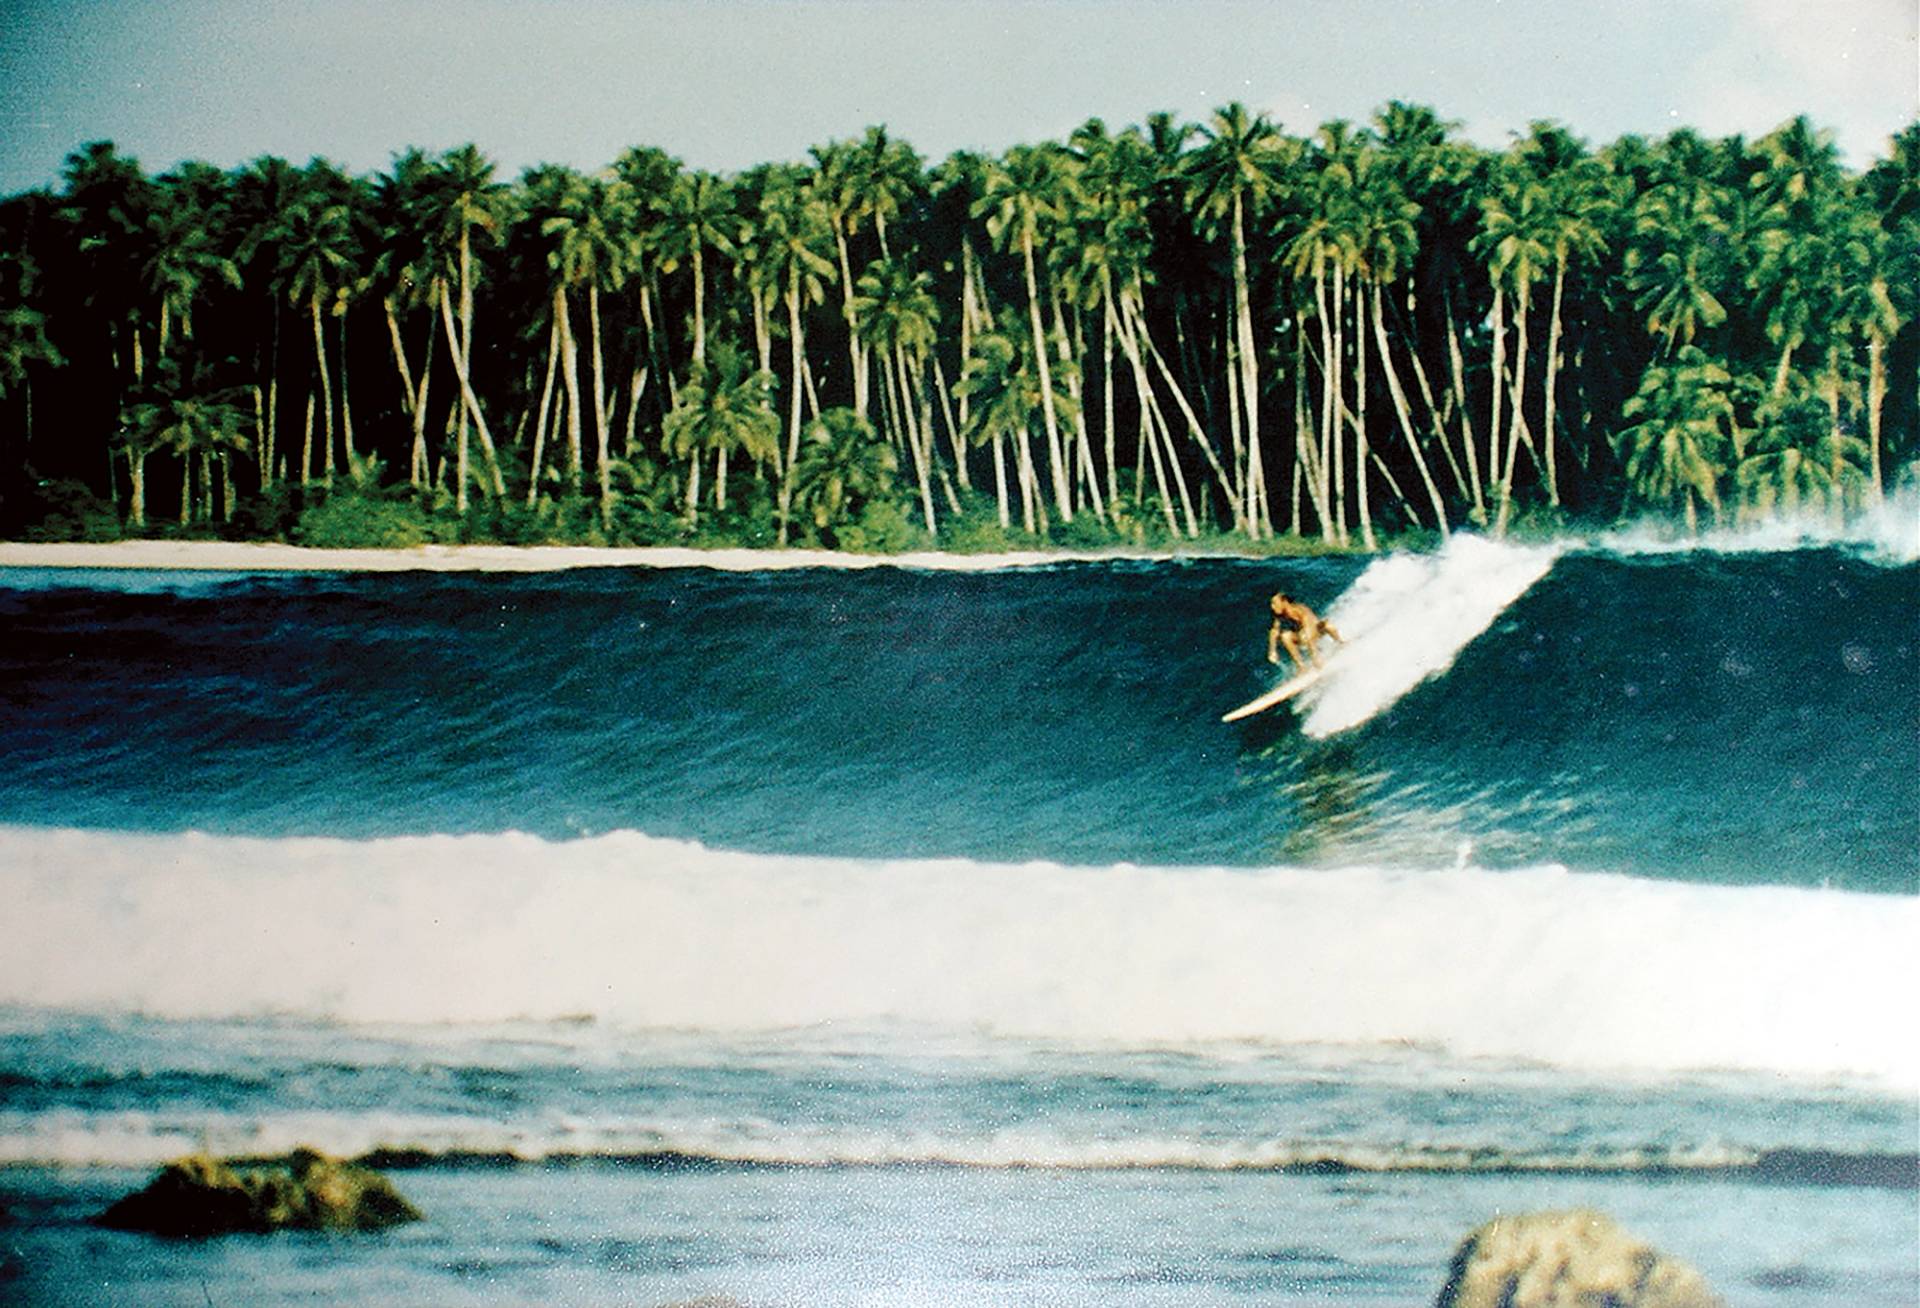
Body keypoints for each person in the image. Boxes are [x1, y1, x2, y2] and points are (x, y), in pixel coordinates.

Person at [1266, 591, 1344, 671]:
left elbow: (1309, 631)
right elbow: (1274, 631)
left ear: (1284, 601)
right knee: (1285, 636)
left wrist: (1315, 657)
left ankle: (1340, 643)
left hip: (1316, 631)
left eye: (1274, 603)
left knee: (1328, 625)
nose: (1272, 607)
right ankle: (1301, 667)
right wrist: (1272, 651)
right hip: (1303, 635)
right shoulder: (1280, 615)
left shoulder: (1300, 610)